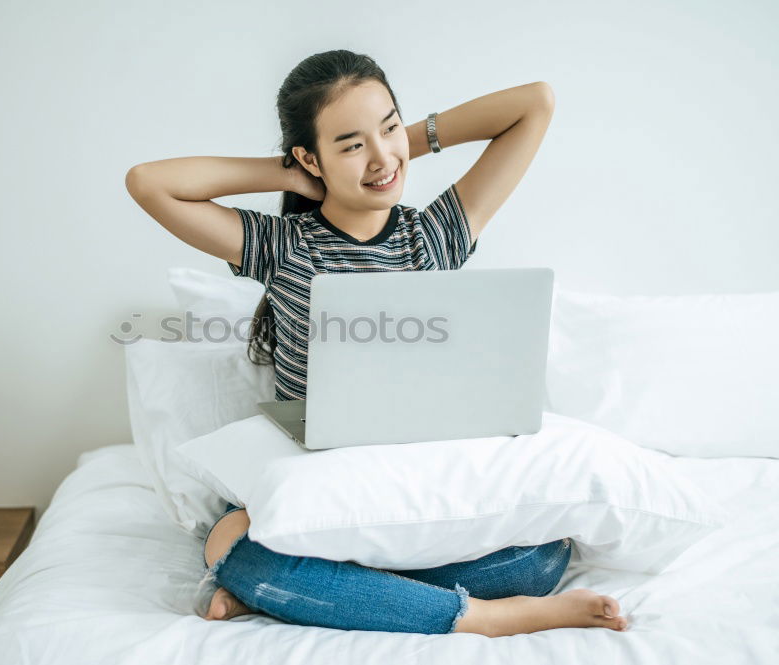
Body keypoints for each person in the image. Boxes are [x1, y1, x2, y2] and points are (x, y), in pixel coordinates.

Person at [125, 49, 627, 636]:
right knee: (229, 544)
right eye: (350, 144)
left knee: (542, 556)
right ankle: (480, 617)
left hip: (421, 491)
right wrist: (289, 175)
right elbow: (149, 183)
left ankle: (310, 593)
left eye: (388, 126)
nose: (383, 157)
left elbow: (534, 102)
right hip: (324, 490)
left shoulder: (436, 237)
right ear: (310, 157)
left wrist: (393, 141)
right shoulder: (285, 246)